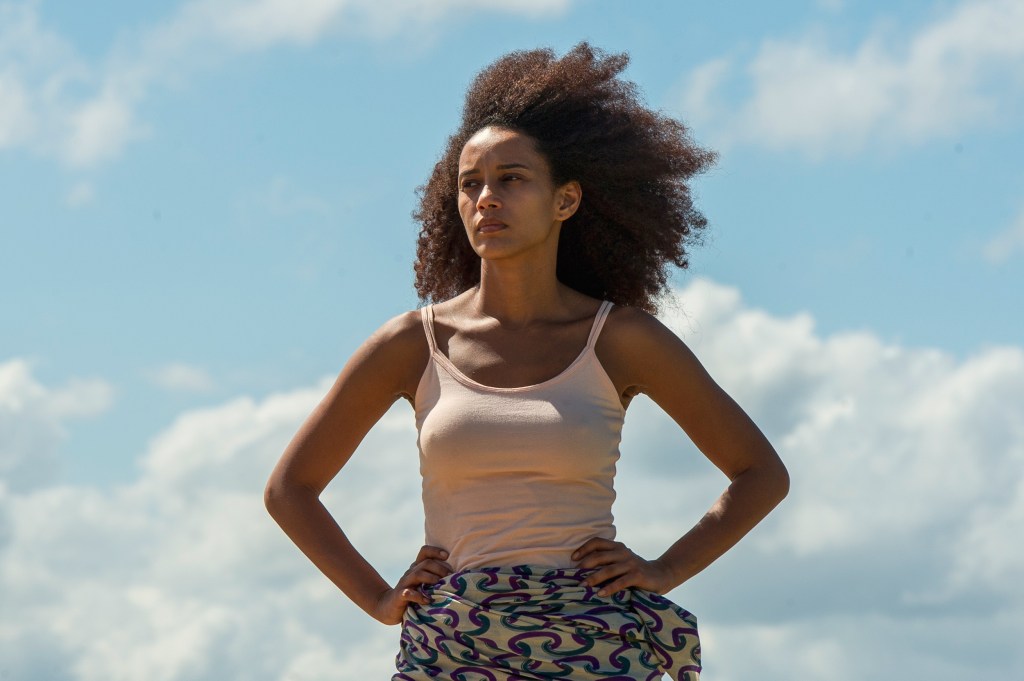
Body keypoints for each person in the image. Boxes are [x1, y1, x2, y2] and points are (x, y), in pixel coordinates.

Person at [264, 43, 789, 680]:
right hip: (454, 647)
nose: (486, 198)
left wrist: (665, 569)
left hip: (595, 646)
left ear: (565, 200)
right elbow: (290, 489)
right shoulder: (412, 343)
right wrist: (378, 598)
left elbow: (760, 472)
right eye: (470, 184)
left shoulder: (621, 338)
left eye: (511, 179)